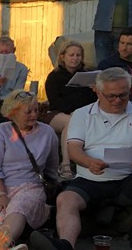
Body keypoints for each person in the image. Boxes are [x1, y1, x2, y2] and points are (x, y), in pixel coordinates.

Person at [30, 68, 132, 250]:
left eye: (123, 95)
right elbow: (74, 149)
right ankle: (66, 247)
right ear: (97, 92)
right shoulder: (82, 114)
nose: (118, 100)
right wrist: (88, 162)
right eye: (111, 96)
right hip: (90, 178)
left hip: (129, 176)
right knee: (65, 199)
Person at [0, 90, 60, 250]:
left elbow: (52, 167)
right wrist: (0, 193)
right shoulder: (0, 132)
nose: (34, 115)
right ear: (13, 113)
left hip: (30, 185)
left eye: (36, 110)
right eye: (28, 112)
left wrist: (54, 186)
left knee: (19, 206)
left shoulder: (48, 133)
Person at [41, 41, 97, 179]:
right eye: (71, 55)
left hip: (83, 113)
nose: (75, 58)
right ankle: (65, 164)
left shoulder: (87, 75)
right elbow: (54, 99)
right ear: (63, 56)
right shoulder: (55, 76)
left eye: (78, 55)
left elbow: (92, 100)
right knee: (71, 122)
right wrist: (71, 110)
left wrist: (94, 90)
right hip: (58, 113)